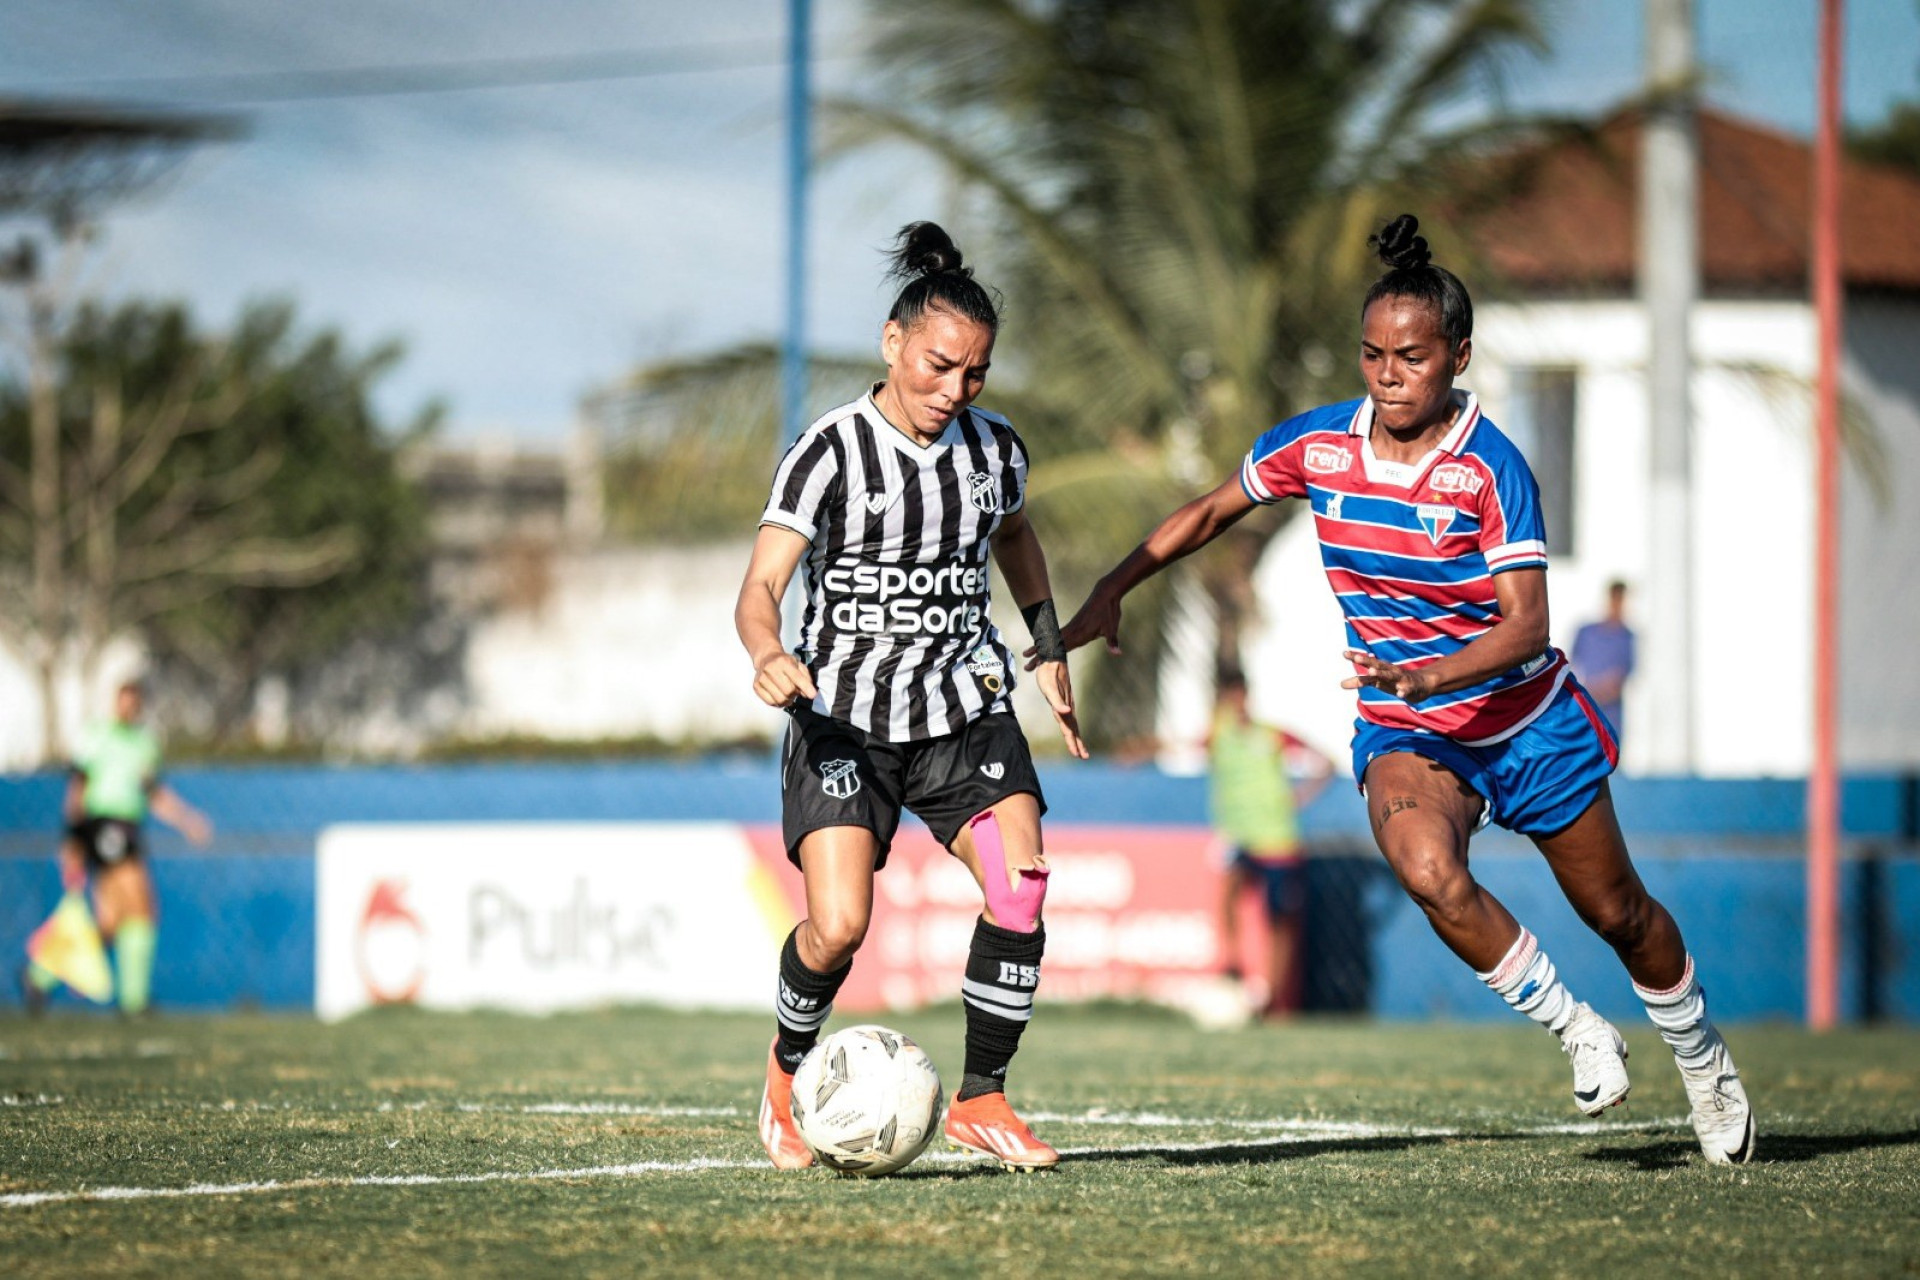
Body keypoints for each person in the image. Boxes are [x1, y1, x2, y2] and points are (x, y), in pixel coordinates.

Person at [1050, 215, 1755, 1164]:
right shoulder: (1322, 446)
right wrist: (1112, 586)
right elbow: (1217, 507)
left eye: (1412, 357)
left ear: (1458, 357)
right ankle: (1579, 1031)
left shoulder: (1491, 468)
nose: (1388, 373)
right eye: (1373, 354)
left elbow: (1528, 625)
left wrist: (1430, 671)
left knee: (1617, 912)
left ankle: (1702, 1058)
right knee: (1426, 869)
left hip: (1525, 722)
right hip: (1407, 726)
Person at [735, 221, 1086, 1172]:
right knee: (839, 925)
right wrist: (769, 653)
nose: (953, 390)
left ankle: (982, 1099)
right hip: (844, 721)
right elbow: (761, 586)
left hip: (963, 710)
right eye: (937, 366)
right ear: (894, 344)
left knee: (1022, 890)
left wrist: (1046, 644)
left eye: (974, 374)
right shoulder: (829, 452)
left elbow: (1015, 536)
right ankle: (784, 1075)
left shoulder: (994, 450)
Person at [20, 679, 212, 1017]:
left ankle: (40, 976)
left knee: (111, 922)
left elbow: (152, 794)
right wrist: (72, 838)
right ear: (115, 702)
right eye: (122, 701)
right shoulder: (98, 736)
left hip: (129, 829)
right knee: (141, 908)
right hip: (104, 827)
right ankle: (134, 1001)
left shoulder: (145, 744)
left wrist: (186, 819)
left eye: (133, 703)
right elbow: (78, 788)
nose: (127, 708)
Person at [1207, 667, 1331, 1018]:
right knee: (1228, 895)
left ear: (1245, 695)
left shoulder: (1271, 735)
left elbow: (1324, 762)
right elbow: (1177, 743)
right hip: (1239, 837)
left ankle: (1274, 1001)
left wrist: (1299, 796)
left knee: (1280, 922)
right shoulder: (1220, 734)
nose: (1233, 703)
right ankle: (1233, 967)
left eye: (1237, 695)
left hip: (1278, 841)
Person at [1570, 580, 1636, 741]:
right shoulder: (1586, 632)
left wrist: (1601, 690)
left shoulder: (1627, 637)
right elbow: (1571, 666)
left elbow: (1623, 676)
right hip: (1585, 712)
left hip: (1611, 716)